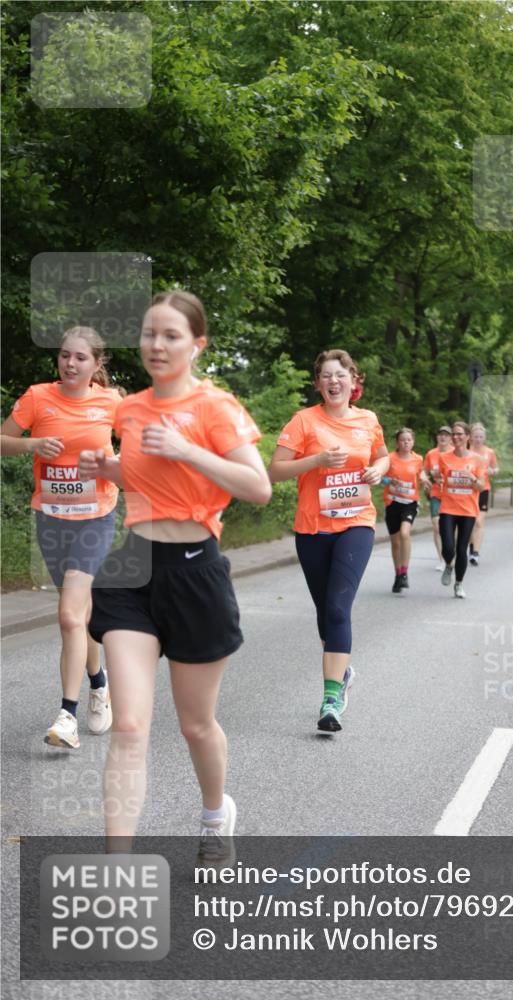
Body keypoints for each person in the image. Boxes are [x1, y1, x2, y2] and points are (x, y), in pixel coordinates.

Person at [80, 290, 271, 852]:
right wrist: (111, 466)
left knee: (195, 726)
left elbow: (257, 488)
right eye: (148, 334)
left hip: (195, 571)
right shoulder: (131, 408)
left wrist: (188, 449)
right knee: (130, 726)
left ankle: (215, 817)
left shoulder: (217, 407)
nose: (156, 345)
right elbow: (149, 480)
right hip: (132, 568)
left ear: (197, 344)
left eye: (170, 336)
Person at [0, 327, 121, 749]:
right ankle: (99, 682)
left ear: (96, 365)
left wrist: (116, 462)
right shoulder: (37, 397)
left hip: (96, 519)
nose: (70, 364)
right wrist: (32, 443)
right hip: (51, 519)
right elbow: (2, 441)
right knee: (78, 616)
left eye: (80, 358)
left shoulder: (111, 402)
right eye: (65, 356)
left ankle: (66, 717)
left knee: (70, 616)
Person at [268, 349, 389, 733]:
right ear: (318, 383)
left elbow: (383, 456)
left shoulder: (368, 420)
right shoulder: (304, 421)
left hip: (357, 523)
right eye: (326, 376)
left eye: (341, 375)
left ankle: (331, 698)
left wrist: (377, 471)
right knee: (325, 613)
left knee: (338, 608)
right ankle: (343, 671)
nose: (334, 382)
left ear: (354, 380)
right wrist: (316, 461)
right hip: (313, 528)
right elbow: (274, 471)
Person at [438, 421, 485, 599]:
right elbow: (441, 479)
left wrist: (472, 478)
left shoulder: (477, 459)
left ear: (467, 437)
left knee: (462, 548)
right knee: (448, 547)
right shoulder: (444, 457)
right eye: (454, 434)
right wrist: (438, 482)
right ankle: (449, 564)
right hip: (448, 508)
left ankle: (458, 584)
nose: (456, 437)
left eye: (459, 434)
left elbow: (481, 487)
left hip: (467, 510)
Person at [383, 427, 428, 593]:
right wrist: (389, 480)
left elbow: (421, 474)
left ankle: (405, 572)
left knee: (404, 533)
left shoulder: (417, 459)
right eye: (402, 440)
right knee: (395, 543)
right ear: (397, 442)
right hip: (393, 502)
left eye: (409, 440)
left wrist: (423, 481)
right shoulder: (389, 458)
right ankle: (397, 575)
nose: (406, 442)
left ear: (413, 442)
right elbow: (380, 477)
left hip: (410, 503)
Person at [468, 423, 498, 566]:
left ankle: (475, 553)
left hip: (483, 489)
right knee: (469, 522)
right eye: (475, 436)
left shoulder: (489, 452)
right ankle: (470, 545)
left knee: (479, 521)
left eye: (481, 436)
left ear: (484, 438)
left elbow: (495, 467)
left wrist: (493, 471)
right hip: (468, 490)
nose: (478, 439)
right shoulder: (466, 451)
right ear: (470, 437)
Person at [423, 426, 452, 570]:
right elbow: (424, 471)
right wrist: (424, 480)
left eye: (446, 435)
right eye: (440, 435)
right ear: (437, 437)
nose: (443, 437)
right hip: (436, 493)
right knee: (436, 525)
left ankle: (451, 554)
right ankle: (442, 559)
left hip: (452, 496)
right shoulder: (431, 454)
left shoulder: (455, 454)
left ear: (451, 438)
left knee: (451, 528)